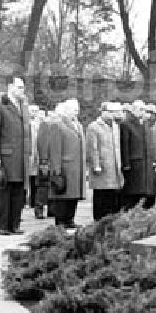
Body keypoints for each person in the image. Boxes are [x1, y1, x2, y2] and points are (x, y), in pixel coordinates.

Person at [0, 78, 32, 236]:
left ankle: (14, 224)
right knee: (4, 191)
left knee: (18, 192)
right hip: (5, 157)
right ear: (10, 87)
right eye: (19, 87)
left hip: (20, 157)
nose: (22, 90)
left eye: (23, 88)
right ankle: (2, 225)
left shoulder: (22, 108)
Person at [45, 98, 86, 229]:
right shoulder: (58, 125)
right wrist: (56, 169)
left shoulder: (78, 125)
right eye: (74, 110)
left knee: (73, 195)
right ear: (66, 110)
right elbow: (55, 149)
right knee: (62, 195)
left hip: (76, 166)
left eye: (77, 110)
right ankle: (61, 220)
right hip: (65, 166)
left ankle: (70, 219)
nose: (76, 113)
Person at [86, 101, 123, 220]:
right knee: (101, 196)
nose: (113, 115)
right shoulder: (94, 126)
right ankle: (98, 220)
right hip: (102, 168)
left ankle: (110, 220)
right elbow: (92, 148)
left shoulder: (116, 126)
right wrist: (96, 164)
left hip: (114, 167)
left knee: (112, 197)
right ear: (104, 112)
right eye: (111, 112)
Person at [119, 99, 148, 210]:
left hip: (141, 164)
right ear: (134, 110)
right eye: (140, 109)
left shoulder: (142, 124)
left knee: (139, 195)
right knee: (131, 195)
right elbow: (125, 145)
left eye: (144, 110)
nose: (143, 112)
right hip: (132, 164)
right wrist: (126, 164)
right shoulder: (126, 124)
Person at [28, 104, 46, 219]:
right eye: (32, 110)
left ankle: (38, 205)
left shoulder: (43, 124)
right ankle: (32, 202)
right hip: (30, 155)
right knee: (32, 180)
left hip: (41, 156)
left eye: (36, 110)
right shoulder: (26, 124)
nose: (34, 113)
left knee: (41, 182)